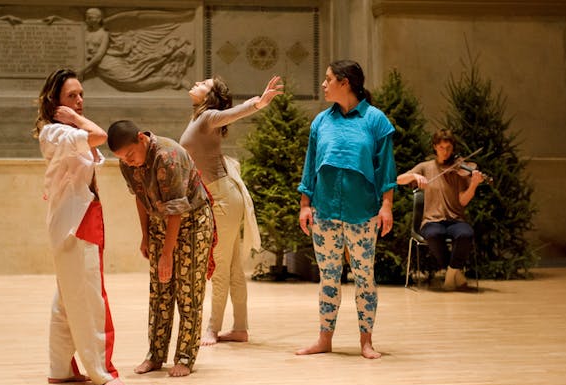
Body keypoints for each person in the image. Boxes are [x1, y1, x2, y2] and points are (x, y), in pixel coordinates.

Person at [297, 60, 396, 359]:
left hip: (363, 214)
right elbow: (310, 166)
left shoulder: (376, 121)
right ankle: (324, 340)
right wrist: (305, 204)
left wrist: (387, 206)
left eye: (328, 79)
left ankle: (366, 342)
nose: (323, 85)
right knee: (328, 277)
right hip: (324, 212)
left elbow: (386, 169)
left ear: (345, 82)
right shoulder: (320, 122)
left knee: (364, 277)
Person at [33, 68, 125, 385]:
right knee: (88, 299)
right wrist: (75, 118)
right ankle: (101, 370)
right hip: (76, 225)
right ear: (56, 102)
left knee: (67, 299)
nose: (80, 101)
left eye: (81, 95)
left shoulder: (63, 132)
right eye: (72, 96)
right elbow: (100, 136)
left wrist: (74, 118)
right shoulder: (57, 132)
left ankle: (60, 367)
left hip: (78, 220)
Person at [179, 75, 283, 346]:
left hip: (223, 197)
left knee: (219, 266)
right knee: (233, 266)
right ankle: (239, 327)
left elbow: (233, 113)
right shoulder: (198, 117)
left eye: (204, 83)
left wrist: (259, 103)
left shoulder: (209, 116)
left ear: (209, 97)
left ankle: (213, 328)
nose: (197, 83)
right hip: (221, 195)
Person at [107, 119, 215, 377]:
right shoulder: (128, 164)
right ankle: (155, 355)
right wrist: (145, 236)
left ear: (141, 138)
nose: (129, 161)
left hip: (192, 222)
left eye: (131, 155)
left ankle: (186, 357)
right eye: (123, 158)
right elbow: (141, 199)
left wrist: (167, 254)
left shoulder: (168, 156)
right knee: (160, 291)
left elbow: (176, 210)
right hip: (159, 223)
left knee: (187, 290)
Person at [397, 128, 484, 290]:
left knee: (466, 233)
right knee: (433, 234)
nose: (445, 152)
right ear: (435, 147)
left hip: (455, 219)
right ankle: (455, 274)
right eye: (442, 148)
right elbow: (399, 179)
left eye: (449, 148)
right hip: (432, 220)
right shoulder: (425, 167)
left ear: (453, 149)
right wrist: (415, 176)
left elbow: (463, 201)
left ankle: (450, 274)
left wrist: (473, 184)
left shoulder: (459, 170)